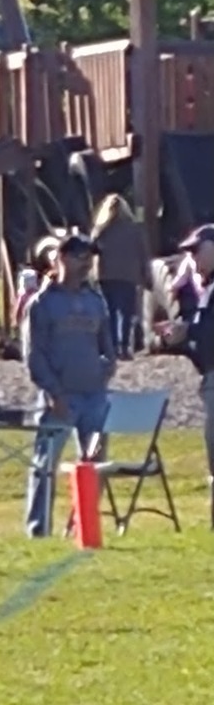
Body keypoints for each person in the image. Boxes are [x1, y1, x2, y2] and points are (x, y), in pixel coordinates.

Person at [23, 231, 116, 537]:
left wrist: (107, 368)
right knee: (45, 465)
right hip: (59, 399)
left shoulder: (95, 300)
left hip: (94, 396)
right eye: (79, 256)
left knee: (94, 466)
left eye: (90, 256)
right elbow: (34, 356)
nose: (86, 263)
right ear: (61, 258)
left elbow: (107, 345)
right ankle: (39, 530)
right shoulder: (42, 304)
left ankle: (80, 527)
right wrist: (54, 392)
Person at [152, 224, 214, 524]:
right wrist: (177, 340)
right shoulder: (204, 291)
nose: (191, 259)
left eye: (196, 251)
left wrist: (189, 331)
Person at [91, 194, 151, 360]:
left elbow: (92, 249)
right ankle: (124, 347)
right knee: (126, 313)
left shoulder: (101, 229)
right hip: (128, 275)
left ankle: (111, 348)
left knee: (108, 312)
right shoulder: (134, 228)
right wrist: (146, 273)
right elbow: (143, 252)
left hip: (106, 275)